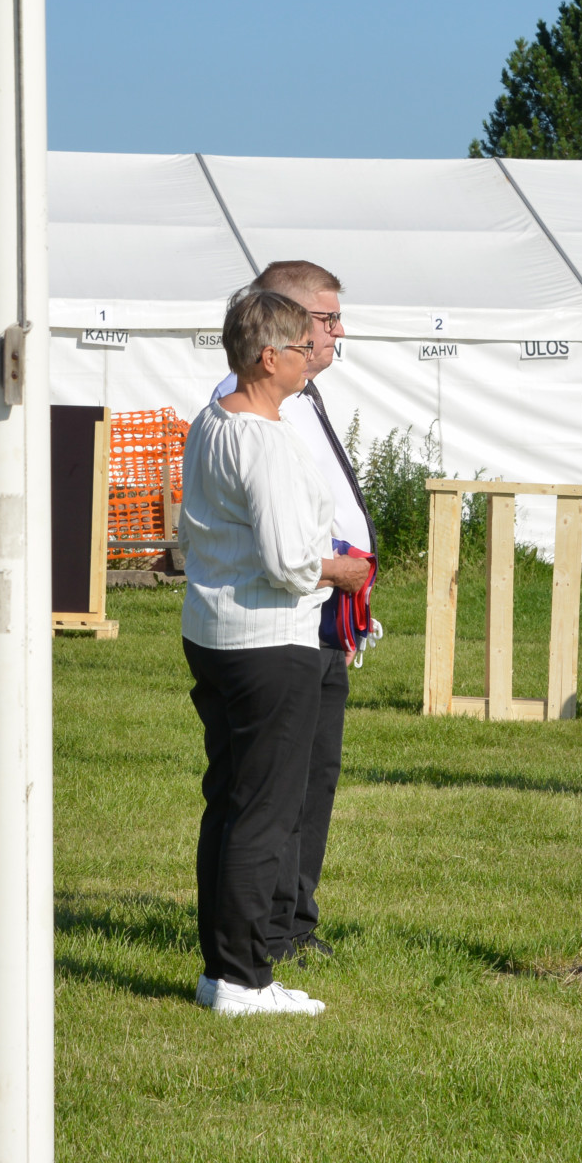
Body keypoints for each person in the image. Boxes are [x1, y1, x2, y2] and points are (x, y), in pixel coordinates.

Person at [182, 288, 369, 1017]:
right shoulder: (263, 439)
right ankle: (243, 977)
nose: (310, 356)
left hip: (217, 633)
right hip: (269, 640)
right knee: (264, 811)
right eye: (300, 346)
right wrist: (343, 570)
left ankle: (223, 969)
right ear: (268, 357)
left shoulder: (212, 421)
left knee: (231, 802)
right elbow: (289, 561)